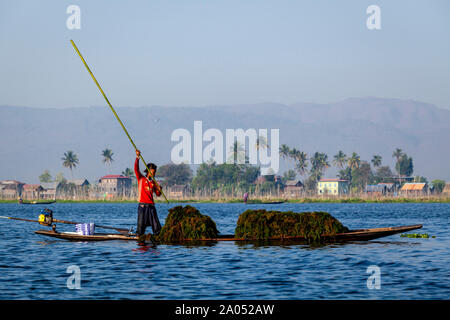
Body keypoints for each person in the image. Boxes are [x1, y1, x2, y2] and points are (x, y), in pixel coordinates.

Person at [134, 149, 162, 240]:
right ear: (149, 171)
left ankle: (158, 238)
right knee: (140, 228)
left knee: (156, 227)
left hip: (151, 207)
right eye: (153, 172)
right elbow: (136, 169)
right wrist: (137, 157)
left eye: (155, 173)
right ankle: (139, 237)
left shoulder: (154, 182)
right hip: (143, 207)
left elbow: (158, 194)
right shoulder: (141, 178)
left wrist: (159, 190)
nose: (154, 174)